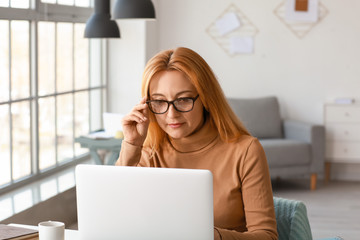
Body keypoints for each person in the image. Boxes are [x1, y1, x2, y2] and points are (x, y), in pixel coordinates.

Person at [115, 47, 278, 240]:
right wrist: (131, 144)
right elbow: (115, 216)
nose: (171, 114)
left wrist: (210, 236)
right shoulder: (149, 150)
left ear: (206, 98)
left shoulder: (245, 151)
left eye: (183, 99)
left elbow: (267, 237)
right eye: (159, 102)